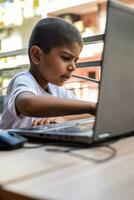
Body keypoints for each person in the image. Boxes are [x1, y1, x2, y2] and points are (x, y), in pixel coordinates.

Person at [0, 17, 96, 129]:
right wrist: (91, 107)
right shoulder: (23, 79)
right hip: (13, 145)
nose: (73, 67)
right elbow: (28, 104)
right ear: (36, 55)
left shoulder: (56, 89)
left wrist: (64, 118)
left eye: (75, 61)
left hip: (37, 145)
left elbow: (86, 110)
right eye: (66, 58)